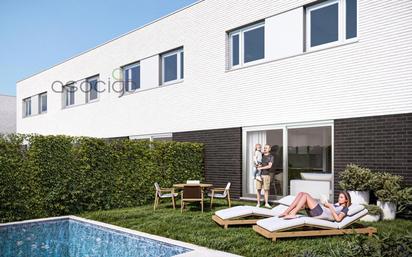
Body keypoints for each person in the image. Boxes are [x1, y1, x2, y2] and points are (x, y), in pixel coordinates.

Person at [279, 191, 351, 221]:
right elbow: (329, 209)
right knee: (301, 193)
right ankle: (286, 211)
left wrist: (330, 206)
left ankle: (293, 213)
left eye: (341, 197)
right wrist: (326, 204)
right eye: (339, 197)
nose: (339, 198)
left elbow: (338, 219)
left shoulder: (345, 209)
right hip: (319, 211)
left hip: (321, 214)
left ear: (346, 200)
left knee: (306, 195)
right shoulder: (337, 204)